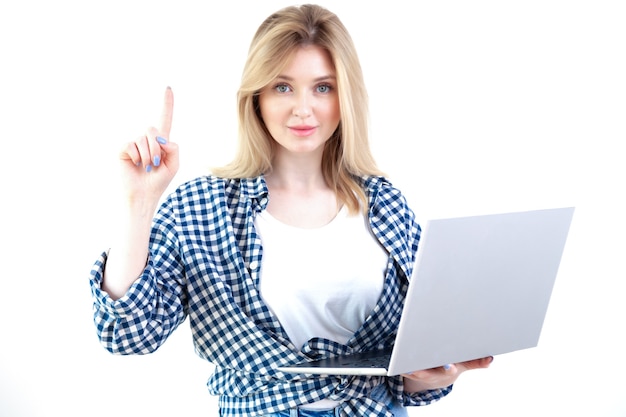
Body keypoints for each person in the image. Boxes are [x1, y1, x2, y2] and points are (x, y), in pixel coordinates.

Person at [89, 4, 492, 416]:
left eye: (323, 87)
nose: (303, 108)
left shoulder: (386, 205)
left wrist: (436, 374)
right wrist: (138, 206)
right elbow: (126, 334)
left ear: (345, 97)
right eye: (283, 87)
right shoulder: (201, 207)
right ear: (257, 97)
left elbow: (413, 360)